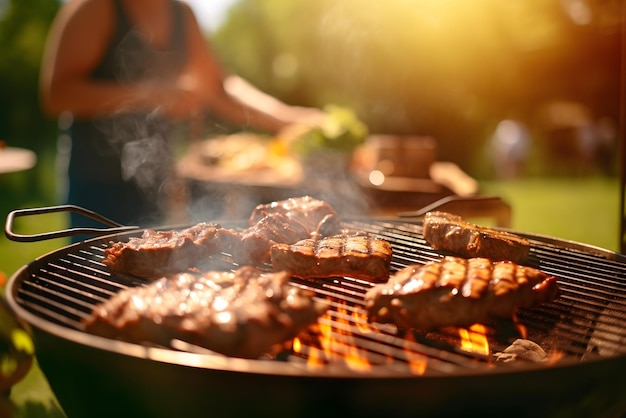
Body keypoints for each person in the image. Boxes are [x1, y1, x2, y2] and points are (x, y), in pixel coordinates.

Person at [39, 0, 321, 235]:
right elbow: (56, 95)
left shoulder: (181, 15)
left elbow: (219, 87)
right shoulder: (97, 7)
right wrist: (153, 95)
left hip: (156, 187)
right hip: (96, 188)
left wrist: (289, 119)